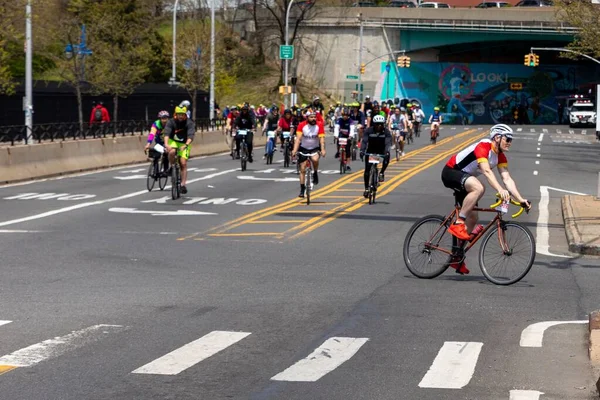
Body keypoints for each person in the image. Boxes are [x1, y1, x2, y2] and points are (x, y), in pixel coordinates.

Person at [441, 124, 532, 274]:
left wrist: (521, 199)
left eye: (511, 140)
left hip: (466, 181)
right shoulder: (483, 146)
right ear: (497, 137)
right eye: (507, 139)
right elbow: (486, 170)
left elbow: (507, 178)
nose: (509, 142)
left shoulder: (500, 156)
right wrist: (500, 190)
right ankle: (458, 222)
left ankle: (456, 257)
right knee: (479, 187)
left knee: (473, 218)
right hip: (451, 172)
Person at [292, 111, 326, 198]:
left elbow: (321, 139)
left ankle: (315, 172)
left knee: (315, 159)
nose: (313, 119)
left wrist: (322, 149)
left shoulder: (319, 125)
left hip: (314, 148)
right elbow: (298, 139)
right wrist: (294, 150)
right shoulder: (302, 125)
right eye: (311, 117)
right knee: (302, 169)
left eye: (314, 117)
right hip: (304, 148)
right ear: (307, 118)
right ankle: (302, 189)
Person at [163, 106, 195, 195]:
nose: (180, 116)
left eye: (182, 114)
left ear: (185, 115)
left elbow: (191, 136)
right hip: (173, 141)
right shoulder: (171, 122)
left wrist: (186, 145)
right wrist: (166, 144)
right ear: (175, 115)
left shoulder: (189, 123)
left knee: (183, 163)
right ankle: (172, 166)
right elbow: (167, 134)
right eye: (178, 114)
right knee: (172, 152)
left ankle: (183, 184)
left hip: (185, 143)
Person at [360, 114, 391, 196]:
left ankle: (381, 172)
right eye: (377, 124)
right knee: (367, 170)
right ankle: (366, 188)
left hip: (381, 151)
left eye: (381, 124)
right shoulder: (368, 131)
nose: (379, 126)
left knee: (388, 157)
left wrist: (387, 151)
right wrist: (362, 151)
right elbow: (364, 141)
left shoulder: (386, 131)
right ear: (374, 124)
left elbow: (388, 142)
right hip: (371, 150)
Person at [144, 110, 171, 175]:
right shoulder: (156, 124)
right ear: (160, 119)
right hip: (159, 142)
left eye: (166, 118)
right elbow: (152, 134)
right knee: (156, 154)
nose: (164, 121)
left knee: (166, 153)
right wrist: (148, 144)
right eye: (162, 118)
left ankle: (165, 170)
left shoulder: (170, 124)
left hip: (169, 142)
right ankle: (155, 170)